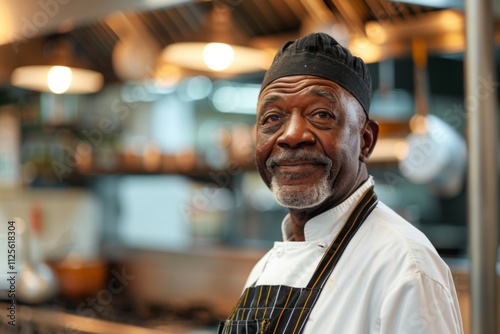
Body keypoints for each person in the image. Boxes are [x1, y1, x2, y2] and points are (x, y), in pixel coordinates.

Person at [218, 32, 464, 334]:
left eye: (321, 114)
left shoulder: (406, 267)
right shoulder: (265, 269)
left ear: (365, 140)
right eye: (272, 118)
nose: (292, 135)